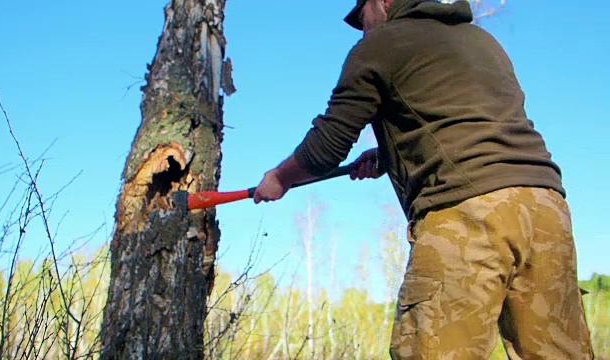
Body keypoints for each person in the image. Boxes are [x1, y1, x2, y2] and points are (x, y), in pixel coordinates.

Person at [252, 0, 594, 358]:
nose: (363, 28)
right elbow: (462, 121)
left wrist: (281, 178)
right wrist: (388, 155)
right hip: (545, 209)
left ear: (383, 1)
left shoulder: (381, 44)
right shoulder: (481, 42)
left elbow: (327, 146)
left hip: (469, 213)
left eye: (362, 16)